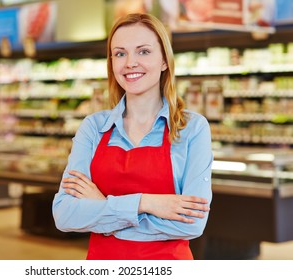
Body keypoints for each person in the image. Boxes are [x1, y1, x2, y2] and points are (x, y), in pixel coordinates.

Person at [52, 13, 213, 260]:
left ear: (164, 61)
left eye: (143, 51)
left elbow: (191, 224)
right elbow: (64, 215)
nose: (130, 63)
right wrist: (146, 203)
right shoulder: (94, 128)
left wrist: (103, 206)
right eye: (120, 53)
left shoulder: (191, 128)